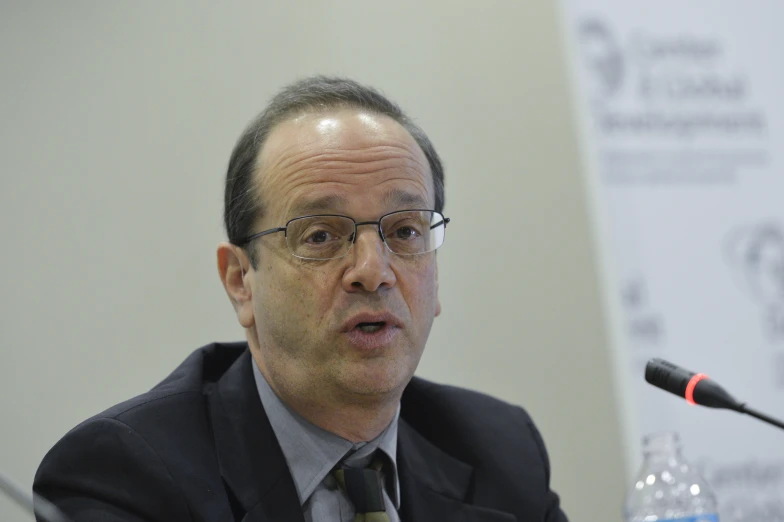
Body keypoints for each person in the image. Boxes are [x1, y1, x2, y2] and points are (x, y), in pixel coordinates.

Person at [34, 76, 568, 522]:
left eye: (405, 232)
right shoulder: (124, 477)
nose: (372, 272)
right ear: (241, 281)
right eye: (320, 236)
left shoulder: (501, 451)